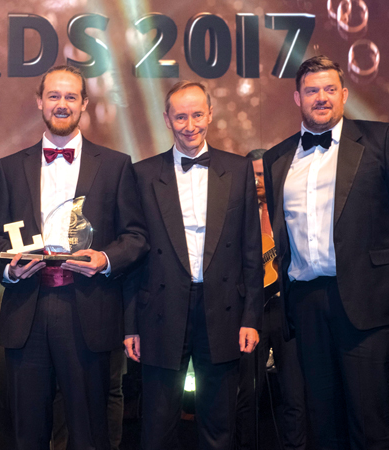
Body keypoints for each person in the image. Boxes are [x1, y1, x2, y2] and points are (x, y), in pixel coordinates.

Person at [0, 64, 148, 450]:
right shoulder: (10, 167)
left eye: (71, 96)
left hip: (88, 311)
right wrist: (8, 269)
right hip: (28, 310)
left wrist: (105, 259)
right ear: (39, 101)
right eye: (54, 96)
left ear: (84, 103)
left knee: (90, 433)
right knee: (29, 432)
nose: (62, 104)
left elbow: (137, 236)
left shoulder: (115, 165)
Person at [124, 81, 264, 450]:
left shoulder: (238, 170)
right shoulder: (141, 174)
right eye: (181, 116)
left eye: (197, 115)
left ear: (210, 114)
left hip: (223, 309)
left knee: (219, 426)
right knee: (156, 425)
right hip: (160, 311)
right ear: (167, 119)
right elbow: (132, 255)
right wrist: (130, 325)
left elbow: (251, 251)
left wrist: (251, 317)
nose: (190, 125)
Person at [263, 55, 389, 450]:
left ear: (345, 95)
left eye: (330, 89)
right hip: (305, 305)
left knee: (370, 420)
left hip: (366, 300)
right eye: (313, 90)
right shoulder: (277, 157)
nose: (322, 98)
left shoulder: (380, 141)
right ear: (297, 97)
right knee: (322, 420)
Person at [234, 149, 307, 450]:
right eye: (254, 176)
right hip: (252, 313)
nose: (259, 183)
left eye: (263, 176)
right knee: (249, 395)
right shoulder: (236, 213)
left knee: (295, 393)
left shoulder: (289, 207)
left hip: (287, 309)